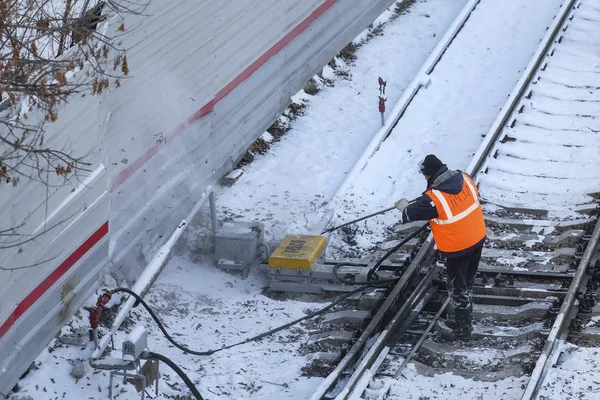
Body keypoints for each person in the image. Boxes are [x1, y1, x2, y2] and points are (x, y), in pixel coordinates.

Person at [395, 154, 486, 341]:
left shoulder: (434, 198)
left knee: (458, 289)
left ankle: (463, 332)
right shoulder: (465, 178)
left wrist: (404, 207)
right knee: (466, 283)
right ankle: (464, 320)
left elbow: (409, 214)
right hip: (477, 237)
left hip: (458, 247)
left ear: (429, 175)